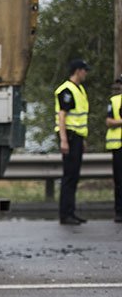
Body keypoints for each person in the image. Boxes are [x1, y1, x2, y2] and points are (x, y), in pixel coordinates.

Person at [54, 59, 90, 225]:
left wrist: (82, 139)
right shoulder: (66, 90)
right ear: (77, 71)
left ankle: (71, 212)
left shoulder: (79, 89)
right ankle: (65, 214)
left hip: (77, 137)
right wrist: (63, 140)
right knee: (69, 176)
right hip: (69, 135)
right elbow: (62, 115)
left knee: (74, 176)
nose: (86, 73)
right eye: (84, 70)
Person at [106, 75, 122, 222]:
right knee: (119, 181)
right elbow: (109, 121)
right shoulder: (114, 101)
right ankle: (119, 212)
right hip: (118, 146)